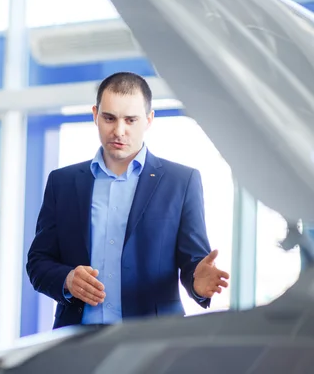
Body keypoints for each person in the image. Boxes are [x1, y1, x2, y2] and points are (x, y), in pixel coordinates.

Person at [26, 72, 230, 329]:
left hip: (151, 344)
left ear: (149, 119)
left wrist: (198, 283)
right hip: (75, 343)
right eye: (109, 118)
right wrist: (67, 280)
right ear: (95, 115)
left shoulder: (181, 181)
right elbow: (38, 262)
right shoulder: (62, 183)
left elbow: (194, 262)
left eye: (131, 120)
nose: (119, 131)